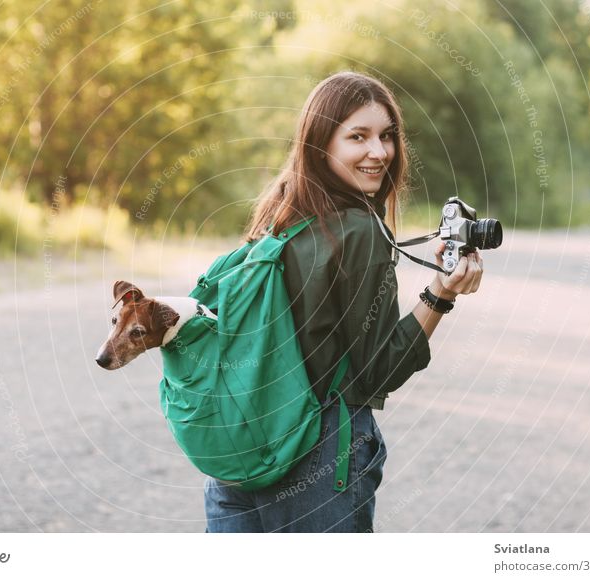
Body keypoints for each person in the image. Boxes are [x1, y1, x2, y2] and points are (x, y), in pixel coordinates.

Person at [203, 71, 483, 532]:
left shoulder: (279, 216)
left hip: (240, 452)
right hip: (321, 458)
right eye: (359, 136)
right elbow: (378, 372)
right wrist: (441, 294)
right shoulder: (359, 232)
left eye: (387, 136)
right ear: (321, 143)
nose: (379, 152)